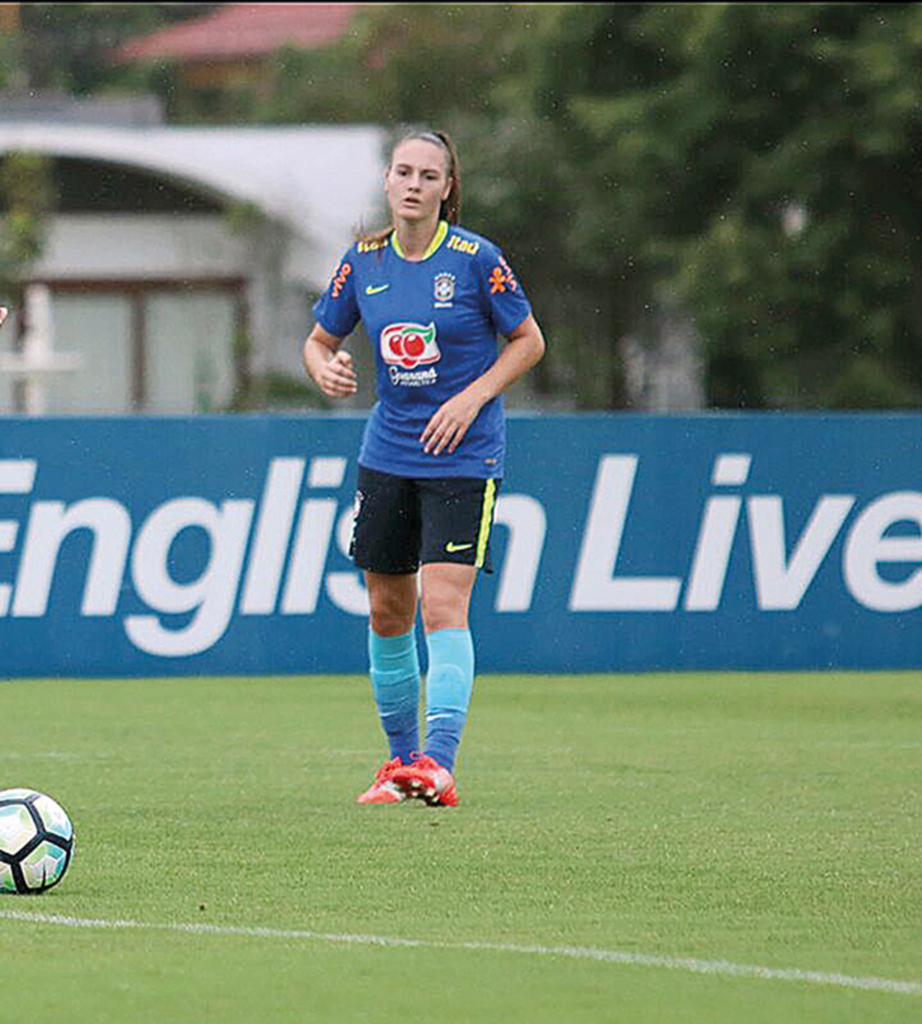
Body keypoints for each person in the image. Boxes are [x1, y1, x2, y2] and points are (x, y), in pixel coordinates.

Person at [302, 128, 546, 806]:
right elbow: (318, 341)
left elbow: (528, 342)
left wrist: (471, 400)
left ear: (447, 189)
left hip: (465, 455)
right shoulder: (363, 261)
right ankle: (400, 762)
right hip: (388, 451)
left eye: (428, 174)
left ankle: (438, 764)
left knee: (443, 607)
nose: (414, 184)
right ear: (387, 182)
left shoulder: (475, 260)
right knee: (386, 610)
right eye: (403, 171)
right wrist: (328, 369)